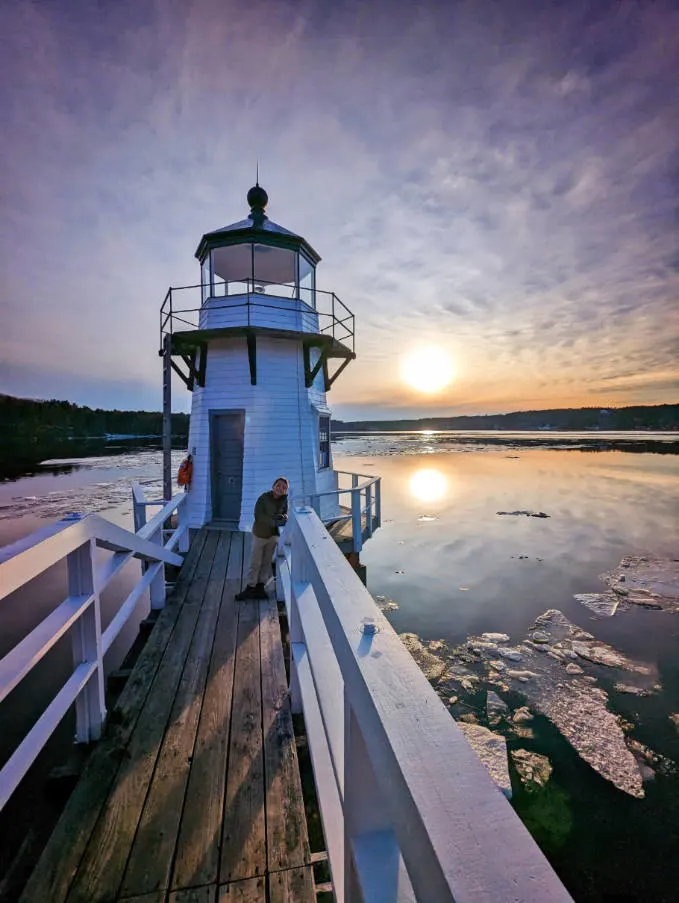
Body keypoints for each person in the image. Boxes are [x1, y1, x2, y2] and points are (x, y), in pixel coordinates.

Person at [235, 477, 289, 600]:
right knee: (255, 562)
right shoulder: (263, 498)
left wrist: (284, 517)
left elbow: (286, 512)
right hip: (260, 534)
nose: (281, 488)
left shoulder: (284, 500)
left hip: (273, 536)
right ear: (273, 486)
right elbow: (259, 516)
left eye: (284, 488)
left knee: (266, 563)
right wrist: (274, 522)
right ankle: (250, 587)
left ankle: (260, 587)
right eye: (279, 485)